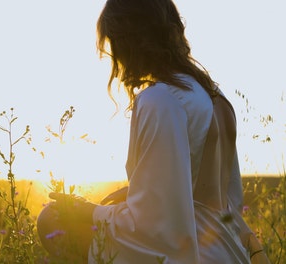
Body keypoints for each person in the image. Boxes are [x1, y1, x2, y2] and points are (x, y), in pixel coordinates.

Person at [37, 0, 271, 263]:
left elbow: (156, 226)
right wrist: (135, 192)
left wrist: (89, 211)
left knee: (52, 220)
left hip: (196, 251)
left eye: (115, 42)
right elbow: (223, 198)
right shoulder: (216, 97)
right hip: (230, 249)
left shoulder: (161, 99)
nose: (117, 57)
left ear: (132, 40)